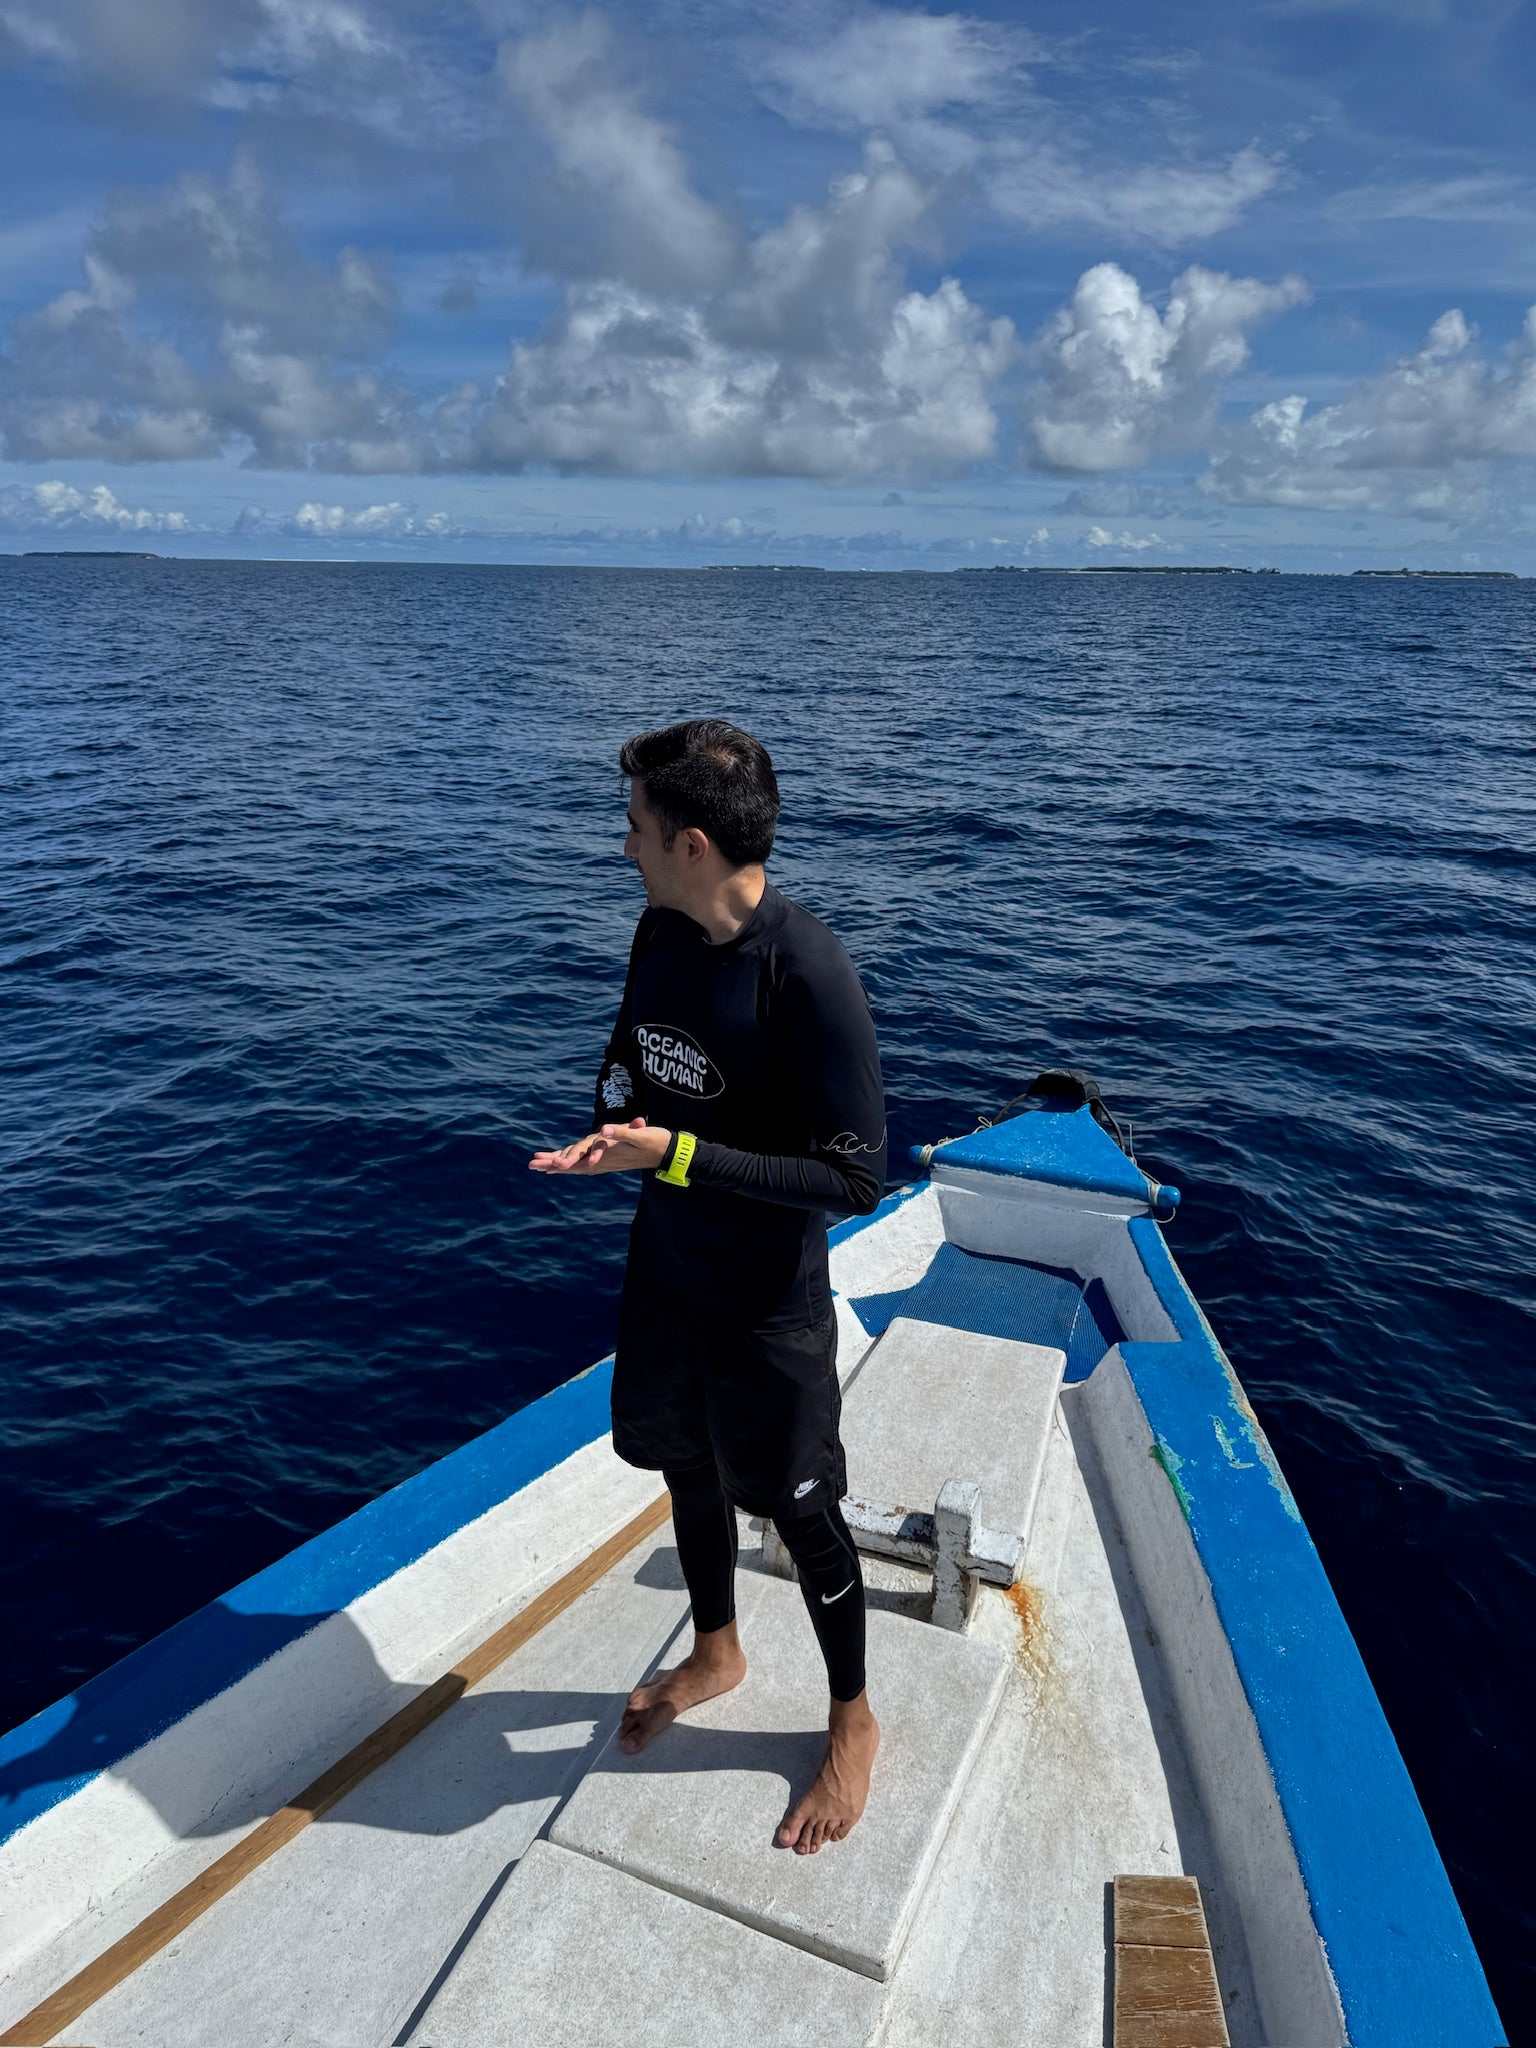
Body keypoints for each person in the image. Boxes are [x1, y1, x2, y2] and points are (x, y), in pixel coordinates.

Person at [529, 718, 887, 1855]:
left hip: (767, 1300)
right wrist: (611, 1127)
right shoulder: (659, 928)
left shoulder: (809, 968)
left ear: (688, 840)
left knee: (796, 1504)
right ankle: (718, 1649)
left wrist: (675, 1155)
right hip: (669, 1267)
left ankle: (853, 1717)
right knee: (682, 1460)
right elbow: (631, 1055)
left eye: (633, 826)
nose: (620, 843)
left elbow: (854, 1175)